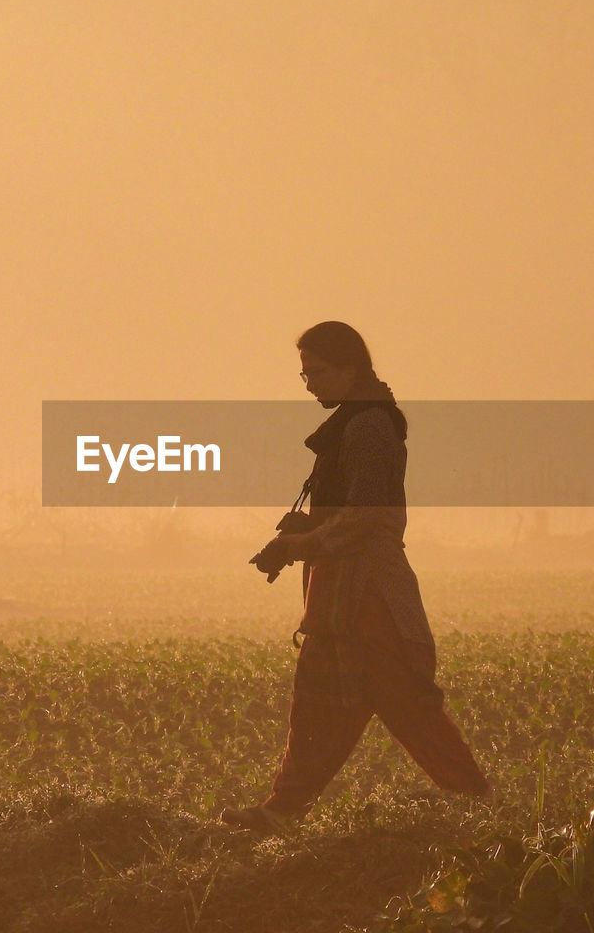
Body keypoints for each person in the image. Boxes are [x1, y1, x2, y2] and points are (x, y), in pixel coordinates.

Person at [222, 321, 489, 833]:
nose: (308, 384)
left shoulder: (368, 426)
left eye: (317, 372)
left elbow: (368, 515)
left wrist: (302, 543)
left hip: (369, 596)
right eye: (304, 374)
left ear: (351, 368)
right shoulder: (358, 421)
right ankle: (282, 810)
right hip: (340, 594)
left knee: (406, 705)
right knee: (319, 702)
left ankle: (478, 805)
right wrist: (300, 537)